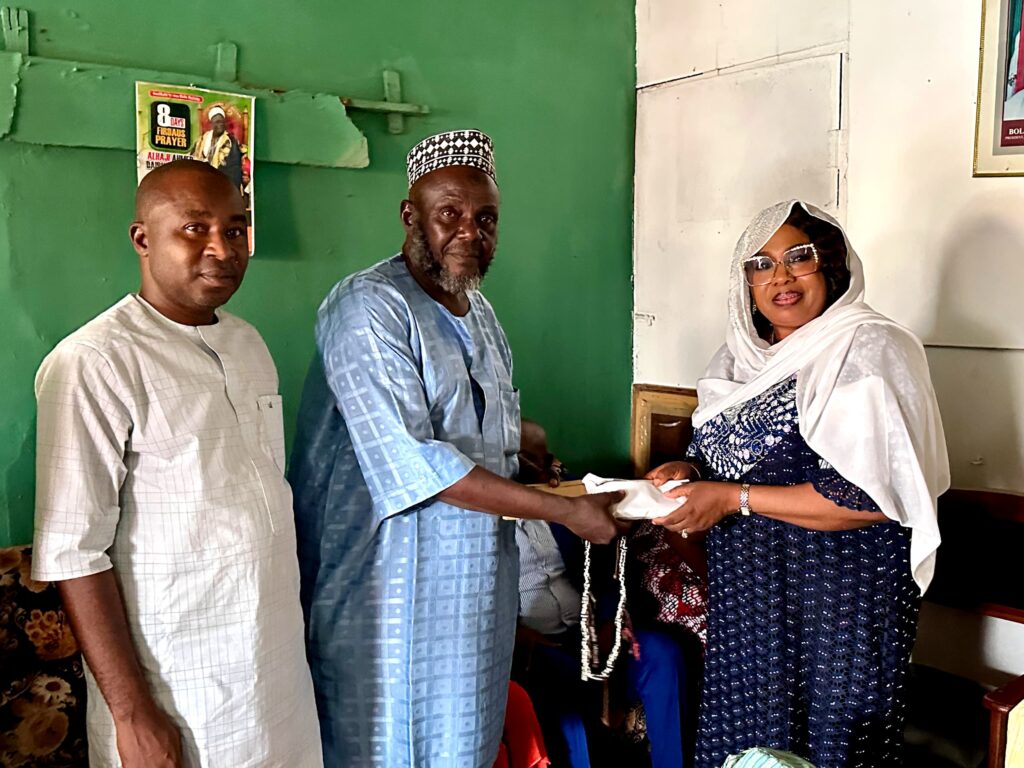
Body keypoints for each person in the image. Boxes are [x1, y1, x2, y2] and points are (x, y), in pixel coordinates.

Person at [288, 129, 625, 768]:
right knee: (383, 746)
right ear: (410, 215)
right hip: (381, 590)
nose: (469, 232)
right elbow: (418, 463)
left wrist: (527, 445)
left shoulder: (480, 312)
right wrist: (567, 512)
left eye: (486, 218)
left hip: (475, 591)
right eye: (449, 214)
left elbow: (474, 424)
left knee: (464, 746)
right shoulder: (369, 306)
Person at [31, 159, 322, 768]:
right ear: (143, 239)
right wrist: (133, 715)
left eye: (235, 229)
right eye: (195, 228)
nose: (222, 248)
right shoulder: (95, 362)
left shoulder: (247, 344)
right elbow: (74, 554)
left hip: (276, 680)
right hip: (179, 691)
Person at [646, 200, 949, 768]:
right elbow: (722, 457)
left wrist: (731, 499)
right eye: (761, 265)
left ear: (830, 265)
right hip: (748, 599)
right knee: (747, 742)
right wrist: (688, 473)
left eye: (798, 258)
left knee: (829, 745)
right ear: (745, 283)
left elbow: (872, 497)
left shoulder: (871, 348)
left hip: (840, 603)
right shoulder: (737, 359)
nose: (780, 277)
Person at [514, 420, 694, 768]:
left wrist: (612, 619)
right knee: (557, 690)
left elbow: (606, 568)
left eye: (548, 460)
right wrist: (521, 639)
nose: (550, 470)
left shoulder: (572, 499)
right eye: (531, 461)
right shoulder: (477, 522)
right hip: (533, 647)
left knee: (662, 653)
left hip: (592, 635)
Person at [192, 105, 243, 190]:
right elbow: (193, 157)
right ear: (211, 124)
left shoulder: (231, 141)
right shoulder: (202, 140)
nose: (221, 125)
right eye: (217, 122)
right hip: (202, 178)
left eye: (222, 122)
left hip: (222, 182)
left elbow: (234, 168)